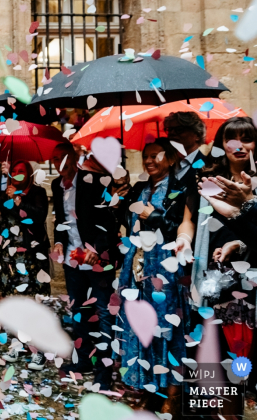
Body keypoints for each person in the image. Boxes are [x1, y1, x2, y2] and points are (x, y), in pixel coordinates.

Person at [115, 138, 196, 415]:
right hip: (137, 266)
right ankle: (149, 387)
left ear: (171, 158)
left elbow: (178, 227)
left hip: (165, 268)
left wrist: (156, 216)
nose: (148, 161)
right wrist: (121, 199)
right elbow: (128, 224)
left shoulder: (179, 188)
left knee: (166, 328)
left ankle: (171, 394)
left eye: (155, 156)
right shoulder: (139, 187)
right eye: (145, 157)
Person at [184, 118, 256, 377]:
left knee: (239, 347)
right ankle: (211, 408)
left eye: (246, 138)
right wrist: (183, 240)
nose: (239, 146)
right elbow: (187, 221)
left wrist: (238, 243)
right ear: (221, 144)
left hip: (248, 279)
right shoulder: (207, 179)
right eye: (231, 139)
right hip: (210, 274)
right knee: (208, 344)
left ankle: (234, 404)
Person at [50, 141, 120, 391]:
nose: (59, 163)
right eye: (54, 158)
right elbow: (60, 219)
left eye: (63, 157)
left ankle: (103, 373)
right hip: (72, 259)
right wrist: (58, 243)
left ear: (74, 157)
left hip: (98, 260)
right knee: (78, 311)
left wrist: (97, 249)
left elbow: (110, 221)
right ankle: (82, 363)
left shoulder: (95, 180)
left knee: (102, 314)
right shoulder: (55, 186)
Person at [0, 160, 50, 297]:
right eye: (13, 171)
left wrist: (17, 199)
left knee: (31, 298)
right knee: (8, 297)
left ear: (29, 174)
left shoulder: (38, 193)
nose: (16, 174)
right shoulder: (0, 196)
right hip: (6, 256)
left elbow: (38, 218)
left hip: (30, 255)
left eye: (21, 171)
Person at [163, 111, 207, 188]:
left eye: (179, 129)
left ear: (197, 135)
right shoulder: (168, 168)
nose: (172, 133)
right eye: (169, 129)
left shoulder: (207, 166)